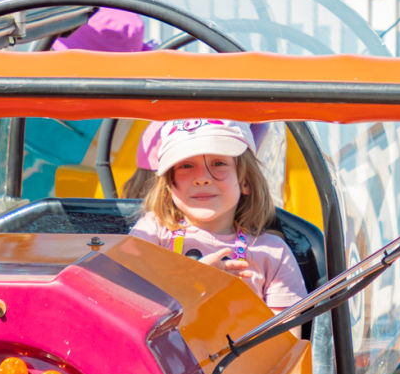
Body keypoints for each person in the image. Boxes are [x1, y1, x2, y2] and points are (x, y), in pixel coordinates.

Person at [129, 118, 306, 313]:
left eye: (219, 163)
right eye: (186, 166)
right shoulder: (152, 232)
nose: (202, 178)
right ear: (169, 185)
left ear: (245, 181)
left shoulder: (272, 252)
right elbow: (124, 304)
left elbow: (285, 340)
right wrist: (189, 286)